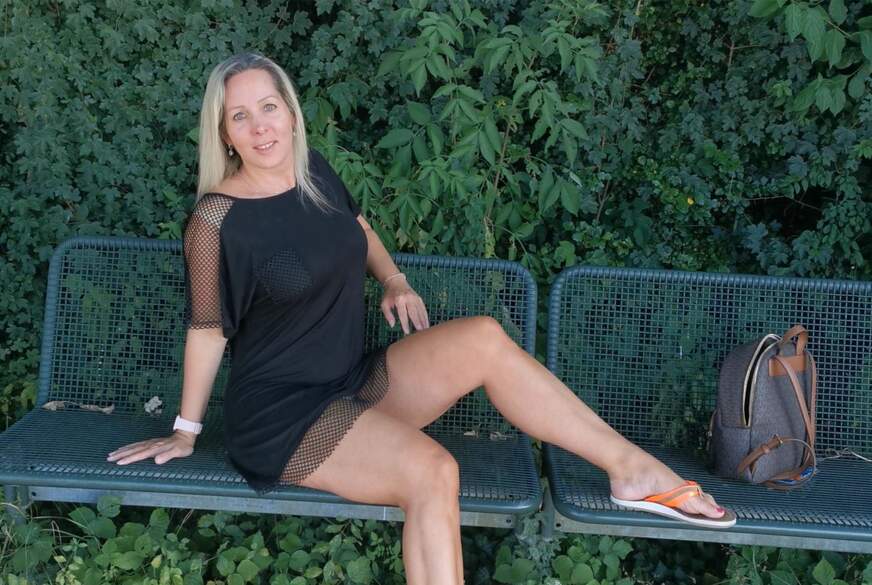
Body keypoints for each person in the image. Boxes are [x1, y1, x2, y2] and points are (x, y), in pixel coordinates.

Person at [107, 53, 735, 584]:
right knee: (433, 472)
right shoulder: (215, 220)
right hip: (284, 417)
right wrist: (186, 429)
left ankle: (631, 471)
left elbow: (358, 230)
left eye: (268, 107)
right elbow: (207, 328)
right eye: (239, 116)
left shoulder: (312, 170)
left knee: (483, 338)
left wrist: (394, 279)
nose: (259, 126)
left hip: (352, 382)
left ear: (291, 113)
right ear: (223, 133)